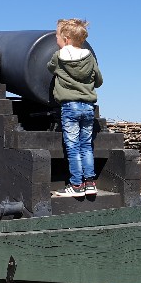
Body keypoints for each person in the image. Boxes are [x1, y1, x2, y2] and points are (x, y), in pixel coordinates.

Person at [47, 18, 103, 197]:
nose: (56, 39)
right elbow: (99, 81)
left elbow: (50, 68)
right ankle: (90, 183)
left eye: (57, 36)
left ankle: (76, 185)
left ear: (66, 38)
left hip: (70, 107)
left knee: (72, 146)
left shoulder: (58, 57)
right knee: (86, 145)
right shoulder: (90, 57)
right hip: (88, 106)